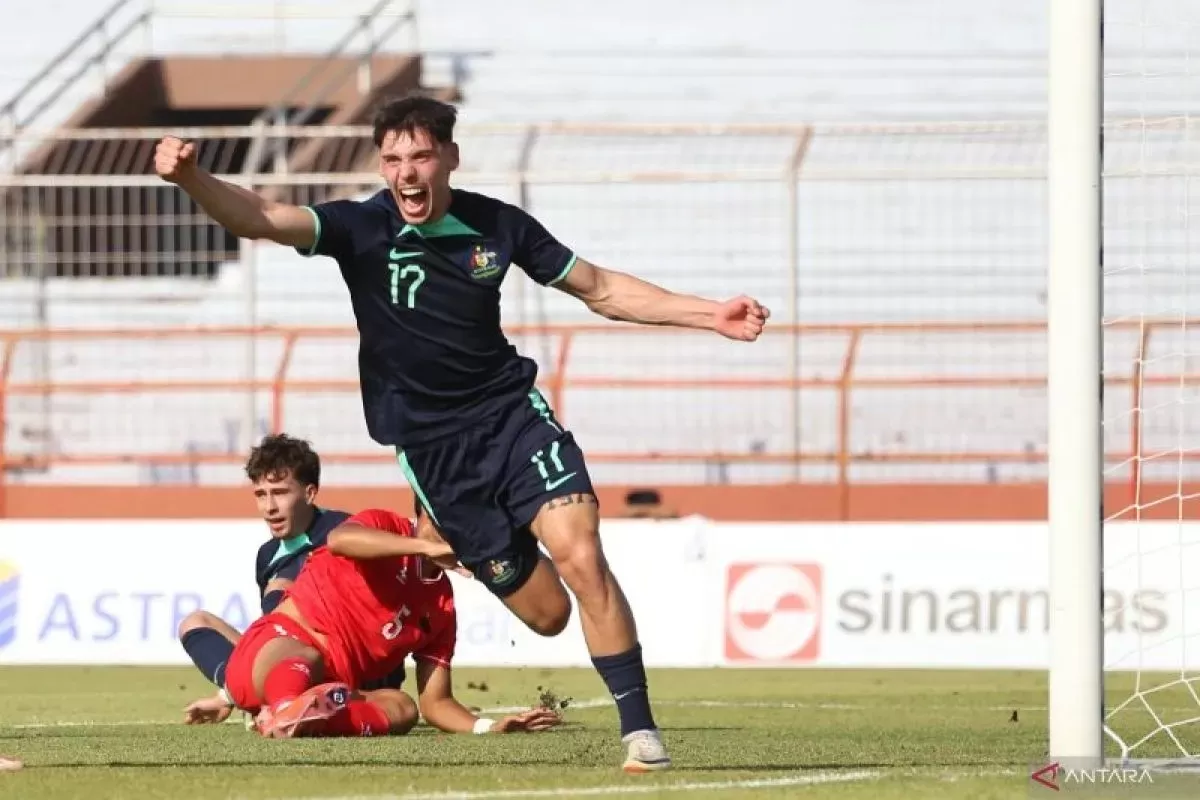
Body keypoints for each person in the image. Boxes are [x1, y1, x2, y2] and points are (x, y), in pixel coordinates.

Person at [154, 94, 769, 770]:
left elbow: (598, 288)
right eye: (392, 159)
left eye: (420, 156)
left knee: (583, 556)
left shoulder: (496, 226)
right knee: (547, 614)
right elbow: (264, 217)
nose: (406, 173)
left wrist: (709, 313)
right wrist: (192, 180)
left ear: (449, 156)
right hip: (438, 461)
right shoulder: (360, 228)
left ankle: (640, 733)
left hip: (511, 420)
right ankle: (524, 564)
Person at [218, 506, 558, 739]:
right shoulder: (385, 526)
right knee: (308, 655)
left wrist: (488, 727)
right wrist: (424, 547)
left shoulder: (442, 605)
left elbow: (436, 703)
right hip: (269, 653)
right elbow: (339, 540)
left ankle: (308, 720)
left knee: (403, 707)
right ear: (426, 509)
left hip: (331, 686)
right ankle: (284, 709)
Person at [177, 434, 405, 725]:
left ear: (310, 493)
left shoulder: (346, 532)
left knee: (284, 589)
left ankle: (278, 701)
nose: (269, 507)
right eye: (261, 494)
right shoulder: (268, 555)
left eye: (280, 492)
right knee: (196, 622)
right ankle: (266, 696)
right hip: (294, 658)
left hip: (355, 670)